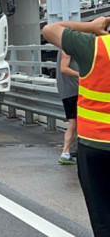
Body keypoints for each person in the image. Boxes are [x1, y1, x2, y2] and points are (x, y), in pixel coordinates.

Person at [42, 16, 110, 236]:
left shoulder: (95, 46)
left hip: (95, 146)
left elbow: (51, 30)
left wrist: (90, 27)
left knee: (103, 220)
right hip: (95, 146)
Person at [56, 50, 79, 165]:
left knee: (75, 122)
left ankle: (68, 152)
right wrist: (83, 75)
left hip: (69, 91)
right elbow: (64, 68)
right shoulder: (68, 48)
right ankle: (65, 153)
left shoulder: (67, 46)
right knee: (74, 123)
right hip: (72, 91)